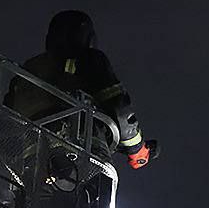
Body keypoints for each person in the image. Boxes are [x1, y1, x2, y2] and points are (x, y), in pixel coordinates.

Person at [9, 10, 155, 168]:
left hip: (32, 162)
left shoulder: (27, 70)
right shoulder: (89, 59)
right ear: (87, 36)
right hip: (82, 153)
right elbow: (119, 107)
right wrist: (136, 149)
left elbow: (7, 121)